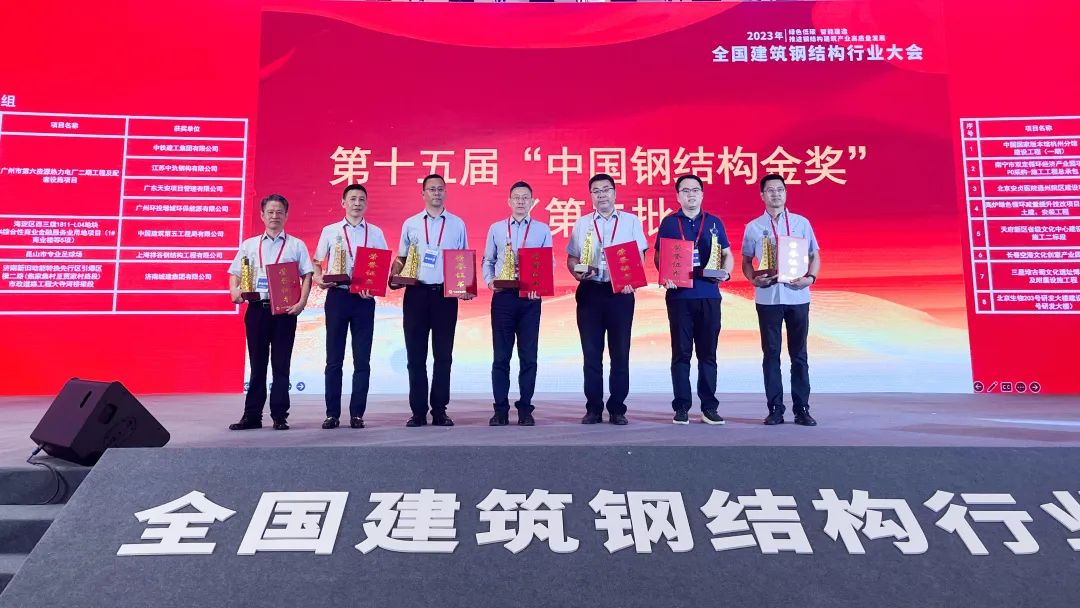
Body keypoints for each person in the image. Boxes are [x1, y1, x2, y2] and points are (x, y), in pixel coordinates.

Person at [566, 173, 648, 425]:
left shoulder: (630, 221)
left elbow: (640, 255)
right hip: (590, 292)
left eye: (606, 189)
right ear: (591, 196)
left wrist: (632, 280)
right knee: (591, 354)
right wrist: (576, 271)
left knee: (620, 353)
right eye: (596, 191)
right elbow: (572, 257)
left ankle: (617, 408)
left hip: (620, 294)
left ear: (614, 193)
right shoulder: (582, 223)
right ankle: (593, 408)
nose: (601, 195)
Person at [390, 174, 472, 427]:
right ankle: (417, 412)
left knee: (443, 356)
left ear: (445, 193)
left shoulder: (457, 224)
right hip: (416, 295)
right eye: (431, 189)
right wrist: (393, 275)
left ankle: (439, 410)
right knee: (415, 356)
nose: (436, 193)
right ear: (423, 193)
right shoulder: (411, 224)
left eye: (440, 189)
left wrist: (466, 286)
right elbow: (402, 257)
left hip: (445, 297)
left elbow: (463, 258)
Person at [740, 173, 821, 426]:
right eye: (770, 190)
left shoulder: (801, 223)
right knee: (771, 354)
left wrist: (810, 278)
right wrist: (753, 279)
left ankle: (802, 408)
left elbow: (814, 255)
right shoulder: (753, 227)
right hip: (768, 298)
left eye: (780, 190)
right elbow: (746, 261)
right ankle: (775, 408)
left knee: (799, 355)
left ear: (786, 193)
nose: (776, 194)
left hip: (798, 296)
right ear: (762, 195)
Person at [227, 194, 313, 431]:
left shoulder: (296, 245)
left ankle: (279, 416)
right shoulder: (250, 245)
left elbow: (307, 275)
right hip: (257, 310)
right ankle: (252, 416)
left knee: (281, 365)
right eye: (270, 212)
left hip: (285, 312)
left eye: (279, 212)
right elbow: (235, 272)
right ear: (262, 216)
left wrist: (302, 303)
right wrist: (234, 291)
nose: (275, 216)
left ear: (286, 216)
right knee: (257, 365)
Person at [653, 175, 733, 425]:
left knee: (708, 354)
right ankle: (681, 407)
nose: (691, 194)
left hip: (709, 295)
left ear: (702, 194)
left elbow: (727, 254)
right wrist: (665, 275)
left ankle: (709, 407)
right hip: (679, 297)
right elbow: (659, 256)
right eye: (685, 190)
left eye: (695, 190)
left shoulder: (714, 222)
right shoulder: (669, 223)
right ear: (678, 196)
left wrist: (726, 272)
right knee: (681, 353)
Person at [312, 184, 389, 430]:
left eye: (361, 199)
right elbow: (316, 263)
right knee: (334, 358)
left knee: (362, 360)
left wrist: (373, 287)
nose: (357, 203)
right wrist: (319, 279)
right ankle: (332, 414)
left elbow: (382, 265)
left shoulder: (375, 233)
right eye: (352, 198)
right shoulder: (330, 231)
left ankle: (357, 414)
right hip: (337, 297)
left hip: (364, 301)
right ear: (343, 202)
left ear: (366, 203)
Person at [481, 181, 553, 426]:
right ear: (509, 201)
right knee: (501, 356)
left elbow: (548, 263)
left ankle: (525, 409)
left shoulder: (542, 229)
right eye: (516, 197)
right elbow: (488, 260)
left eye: (525, 197)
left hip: (530, 299)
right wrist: (490, 282)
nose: (521, 201)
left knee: (528, 357)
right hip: (503, 298)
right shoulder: (496, 228)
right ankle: (500, 409)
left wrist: (539, 287)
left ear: (532, 201)